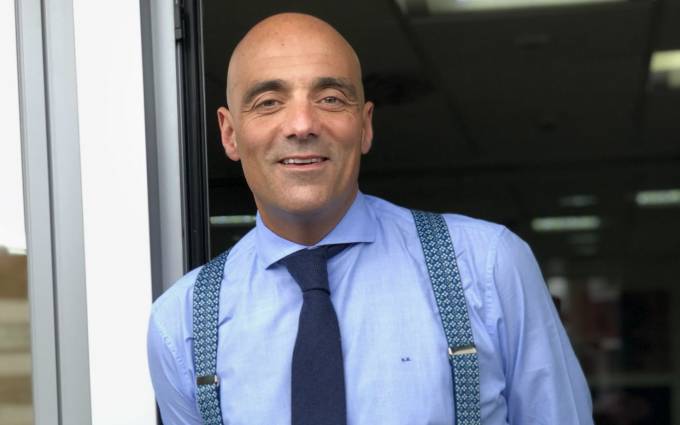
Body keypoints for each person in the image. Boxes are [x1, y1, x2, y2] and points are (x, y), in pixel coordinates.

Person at [147, 12, 593, 425]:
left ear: (365, 126)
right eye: (268, 102)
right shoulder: (181, 323)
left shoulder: (488, 266)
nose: (301, 124)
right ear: (230, 133)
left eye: (330, 98)